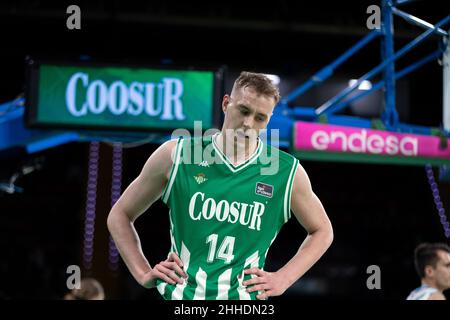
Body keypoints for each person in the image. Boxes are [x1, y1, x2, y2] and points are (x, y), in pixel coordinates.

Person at [107, 71, 333, 300]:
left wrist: (283, 278)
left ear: (268, 120)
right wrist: (143, 272)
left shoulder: (286, 172)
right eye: (243, 111)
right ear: (226, 103)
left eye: (260, 118)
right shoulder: (177, 155)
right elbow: (120, 215)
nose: (248, 123)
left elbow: (323, 231)